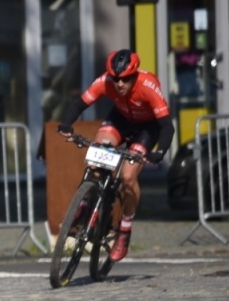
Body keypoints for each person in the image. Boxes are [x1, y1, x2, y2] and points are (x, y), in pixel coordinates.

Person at [57, 48, 174, 262]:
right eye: (116, 79)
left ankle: (124, 231)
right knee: (96, 155)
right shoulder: (105, 81)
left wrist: (160, 152)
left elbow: (167, 125)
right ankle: (83, 204)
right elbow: (80, 103)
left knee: (128, 177)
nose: (120, 84)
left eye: (126, 79)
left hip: (147, 129)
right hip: (120, 120)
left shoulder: (148, 86)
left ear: (134, 75)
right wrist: (66, 125)